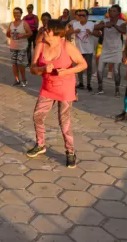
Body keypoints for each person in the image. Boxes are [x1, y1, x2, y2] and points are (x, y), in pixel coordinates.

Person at [26, 20, 87, 168]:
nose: (44, 31)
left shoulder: (67, 46)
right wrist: (42, 70)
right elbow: (33, 69)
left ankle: (70, 152)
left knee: (64, 122)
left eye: (47, 30)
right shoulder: (40, 45)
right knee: (37, 116)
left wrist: (67, 71)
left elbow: (83, 64)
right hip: (47, 88)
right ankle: (40, 145)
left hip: (65, 90)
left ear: (55, 32)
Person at [94, 5, 127, 96]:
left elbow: (123, 31)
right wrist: (105, 25)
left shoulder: (121, 22)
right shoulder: (104, 21)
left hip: (116, 50)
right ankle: (100, 88)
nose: (111, 12)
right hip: (105, 49)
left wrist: (114, 25)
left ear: (118, 13)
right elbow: (95, 27)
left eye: (114, 11)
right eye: (110, 10)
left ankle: (117, 90)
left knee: (116, 71)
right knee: (100, 69)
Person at [71, 9, 99, 92]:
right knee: (79, 67)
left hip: (88, 49)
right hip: (79, 49)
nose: (81, 17)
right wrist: (73, 31)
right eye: (79, 15)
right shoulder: (75, 24)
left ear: (87, 16)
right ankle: (81, 83)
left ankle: (89, 84)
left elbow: (99, 34)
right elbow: (67, 33)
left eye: (83, 15)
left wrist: (91, 33)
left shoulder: (91, 24)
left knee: (88, 67)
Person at [6, 7, 32, 87]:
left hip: (22, 46)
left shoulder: (24, 23)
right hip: (13, 46)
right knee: (14, 63)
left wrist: (22, 35)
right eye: (14, 13)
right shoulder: (11, 24)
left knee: (19, 63)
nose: (16, 14)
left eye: (18, 13)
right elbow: (7, 34)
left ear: (21, 14)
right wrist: (9, 33)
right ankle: (17, 79)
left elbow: (30, 33)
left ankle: (24, 79)